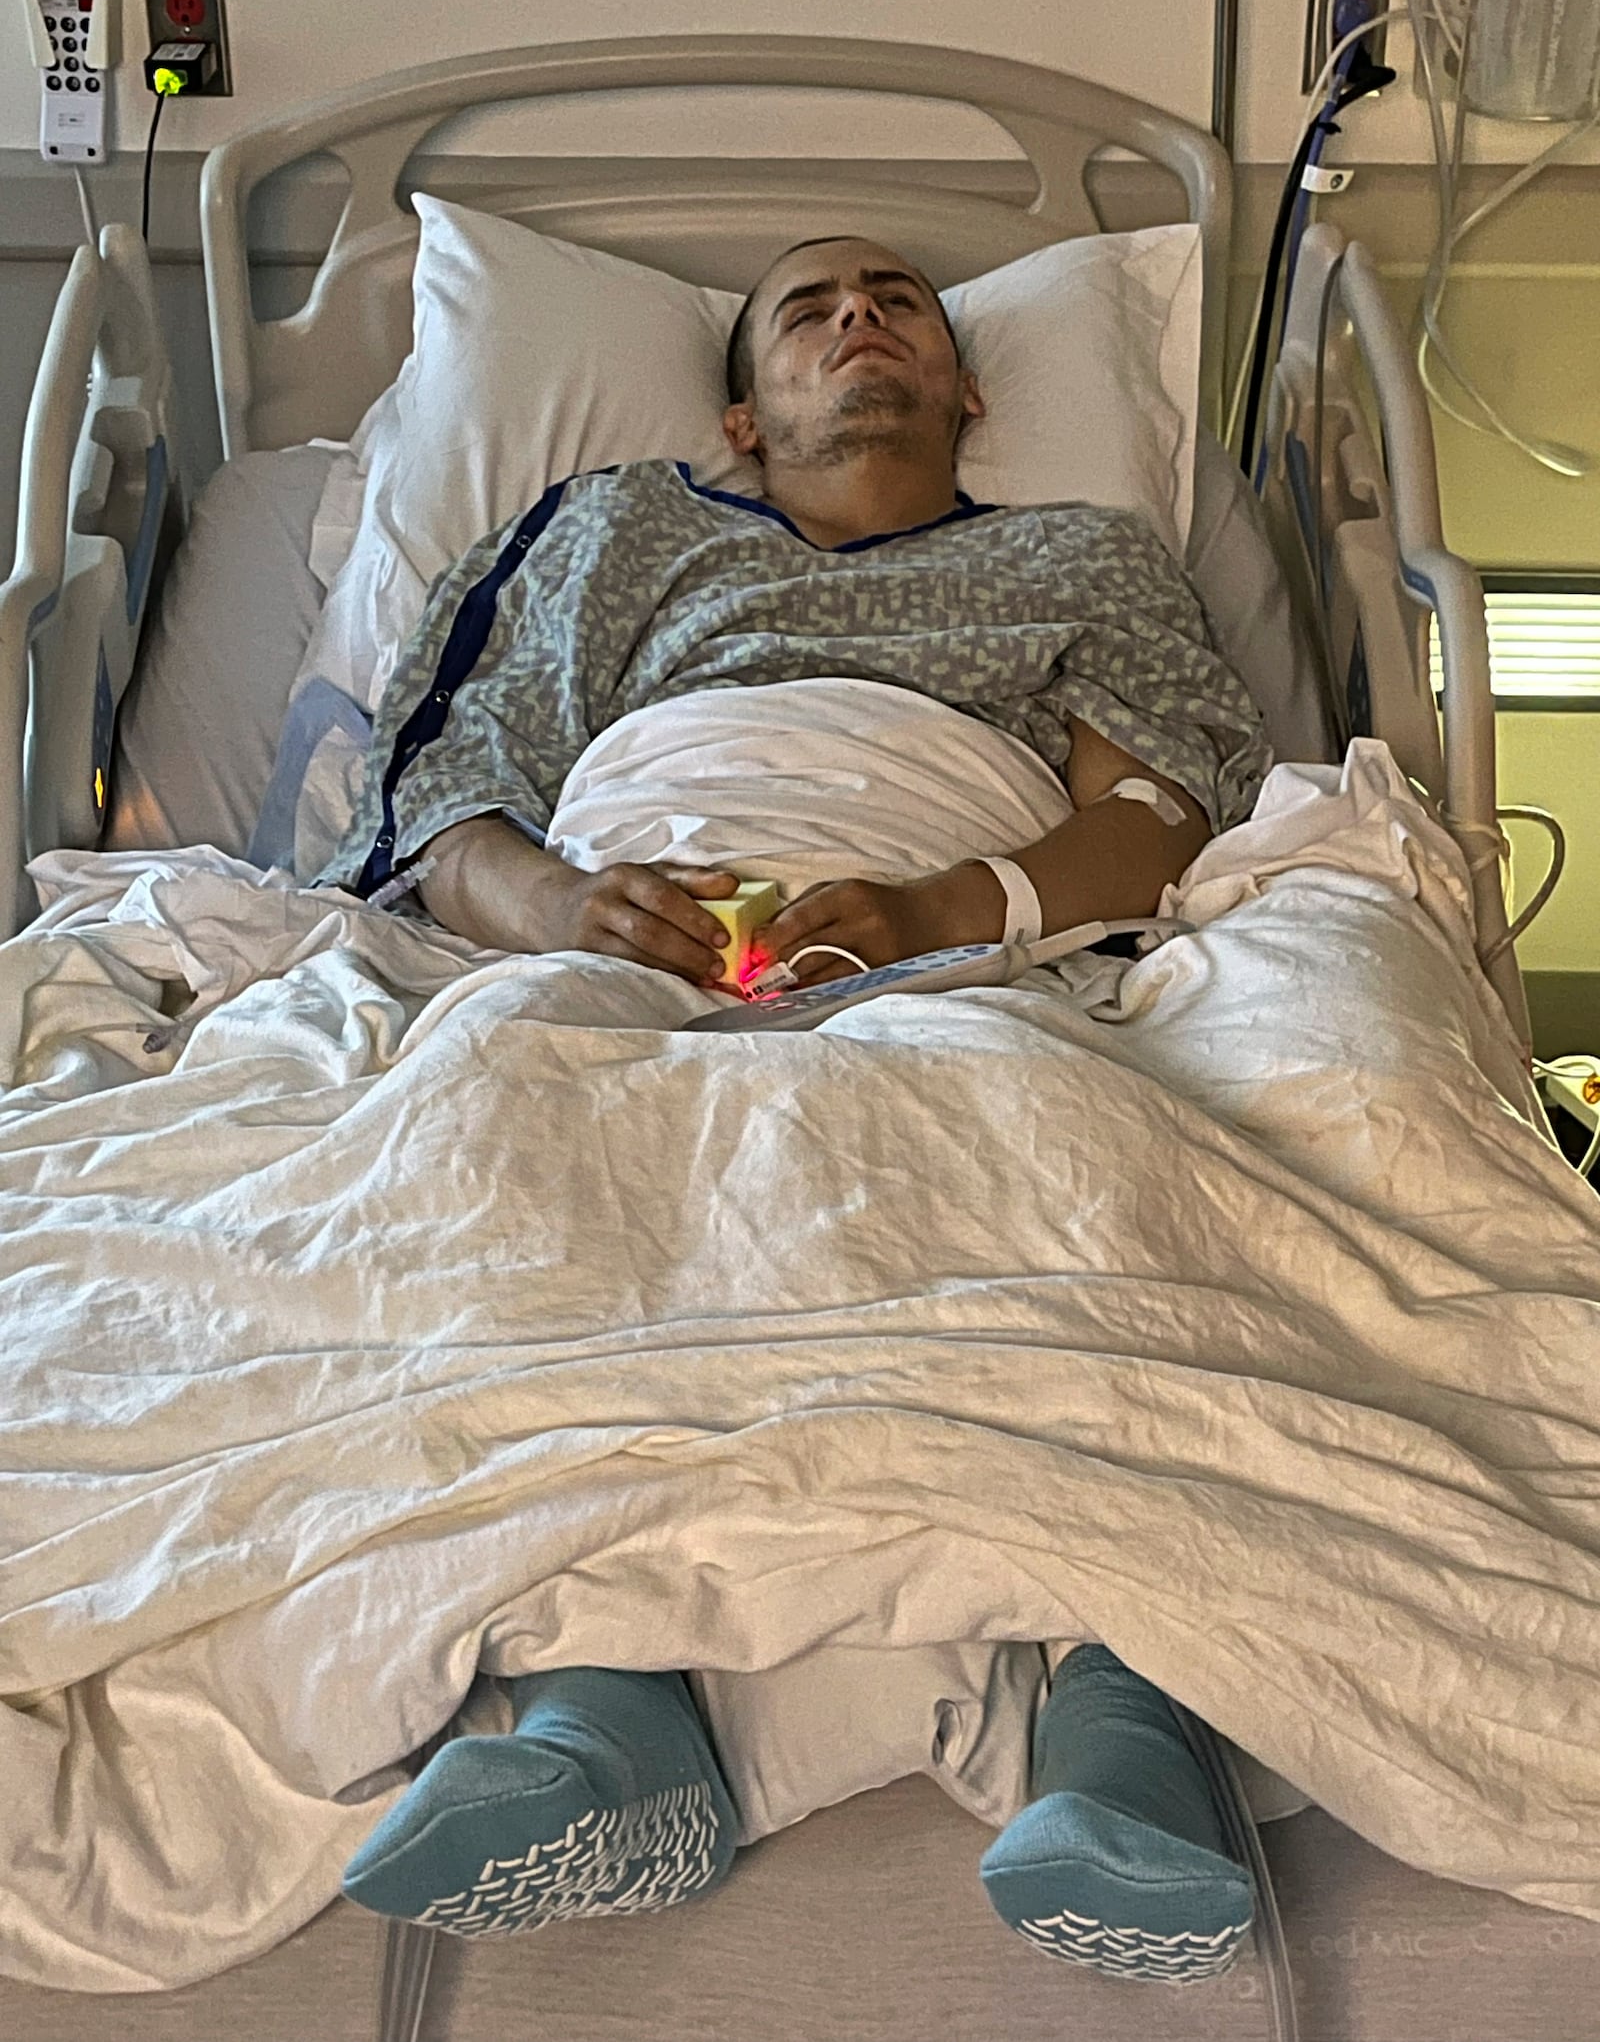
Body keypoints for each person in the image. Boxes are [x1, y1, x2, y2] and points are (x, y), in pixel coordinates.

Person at [326, 238, 1271, 1983]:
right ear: (742, 408)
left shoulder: (1082, 557)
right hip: (632, 911)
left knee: (1072, 1158)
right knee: (513, 1143)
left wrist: (943, 906)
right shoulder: (611, 530)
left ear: (972, 388)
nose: (860, 323)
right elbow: (445, 779)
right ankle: (608, 1715)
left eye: (899, 302)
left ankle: (1131, 1722)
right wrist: (564, 911)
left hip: (966, 927)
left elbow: (1163, 802)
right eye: (810, 311)